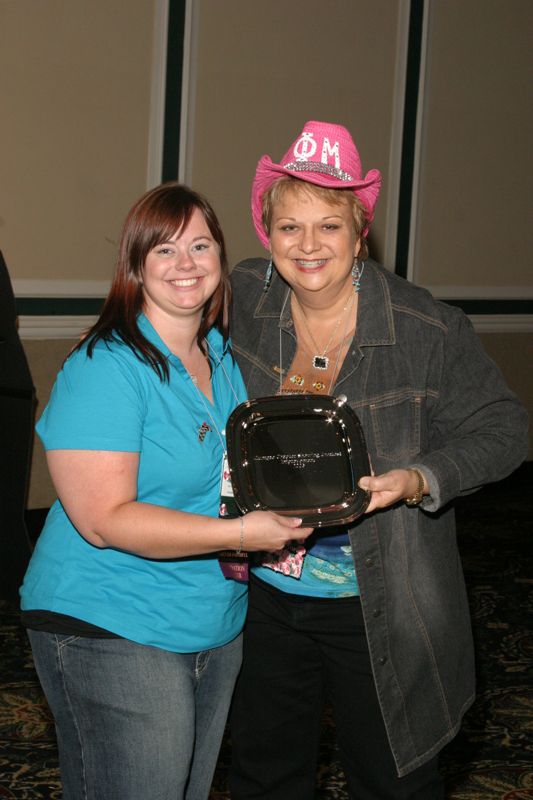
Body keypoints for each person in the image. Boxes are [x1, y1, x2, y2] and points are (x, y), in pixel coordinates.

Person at [228, 121, 529, 800]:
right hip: (263, 597)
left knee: (392, 782)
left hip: (378, 602)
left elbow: (505, 429)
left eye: (327, 227)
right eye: (288, 228)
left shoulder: (426, 328)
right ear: (266, 234)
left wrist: (419, 477)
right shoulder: (244, 299)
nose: (307, 247)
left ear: (359, 231)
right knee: (262, 776)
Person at [19, 182, 310, 800]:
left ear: (221, 259)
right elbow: (106, 520)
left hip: (213, 620)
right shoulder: (107, 366)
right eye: (166, 251)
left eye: (201, 246)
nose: (186, 265)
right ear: (136, 266)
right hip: (110, 620)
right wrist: (241, 535)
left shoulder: (222, 356)